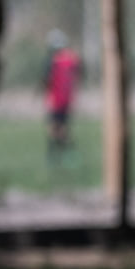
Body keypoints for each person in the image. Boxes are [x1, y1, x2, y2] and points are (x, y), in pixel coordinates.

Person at [44, 31, 82, 167]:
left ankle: (56, 157)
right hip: (67, 100)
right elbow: (79, 73)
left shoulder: (53, 61)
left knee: (54, 130)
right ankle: (64, 156)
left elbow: (47, 80)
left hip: (55, 100)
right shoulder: (72, 59)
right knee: (63, 129)